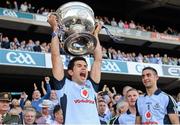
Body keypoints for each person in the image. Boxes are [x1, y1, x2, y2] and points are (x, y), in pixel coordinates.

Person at [48, 13, 102, 124]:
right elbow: (55, 56)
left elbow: (98, 60)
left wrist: (95, 34)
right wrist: (55, 30)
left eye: (85, 66)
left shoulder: (91, 86)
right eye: (79, 66)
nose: (84, 68)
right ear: (71, 71)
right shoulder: (63, 86)